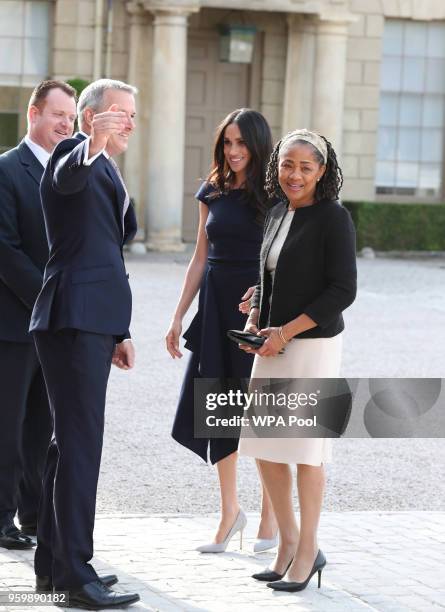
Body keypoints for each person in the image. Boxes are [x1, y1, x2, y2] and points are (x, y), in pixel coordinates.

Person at [29, 79, 140, 609]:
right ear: (92, 117)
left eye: (133, 115)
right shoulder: (73, 154)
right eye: (120, 113)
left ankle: (54, 565)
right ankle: (76, 574)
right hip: (71, 318)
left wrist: (118, 331)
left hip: (91, 322)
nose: (129, 123)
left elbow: (106, 251)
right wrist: (91, 141)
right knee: (81, 447)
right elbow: (68, 178)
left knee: (65, 445)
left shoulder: (111, 170)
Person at [239, 129, 357, 591]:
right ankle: (287, 543)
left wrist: (284, 332)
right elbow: (269, 275)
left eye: (306, 167)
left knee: (306, 452)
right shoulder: (274, 212)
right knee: (265, 448)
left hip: (310, 347)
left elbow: (342, 290)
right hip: (268, 344)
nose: (295, 174)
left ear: (322, 172)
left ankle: (308, 550)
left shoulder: (334, 219)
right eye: (288, 164)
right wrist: (254, 311)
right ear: (277, 166)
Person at [166, 108, 279, 553]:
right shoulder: (211, 190)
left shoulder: (275, 195)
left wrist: (266, 297)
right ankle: (230, 513)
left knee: (264, 411)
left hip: (257, 309)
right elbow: (199, 256)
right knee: (221, 409)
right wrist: (177, 316)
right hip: (215, 308)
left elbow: (283, 258)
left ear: (257, 145)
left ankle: (272, 516)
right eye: (227, 143)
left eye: (241, 143)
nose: (233, 151)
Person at [0, 80, 76, 550]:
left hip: (55, 326)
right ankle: (1, 516)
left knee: (41, 428)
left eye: (70, 117)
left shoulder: (69, 171)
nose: (64, 124)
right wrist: (46, 298)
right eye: (57, 115)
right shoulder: (7, 169)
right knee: (7, 423)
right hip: (12, 321)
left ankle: (33, 514)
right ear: (33, 114)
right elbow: (4, 249)